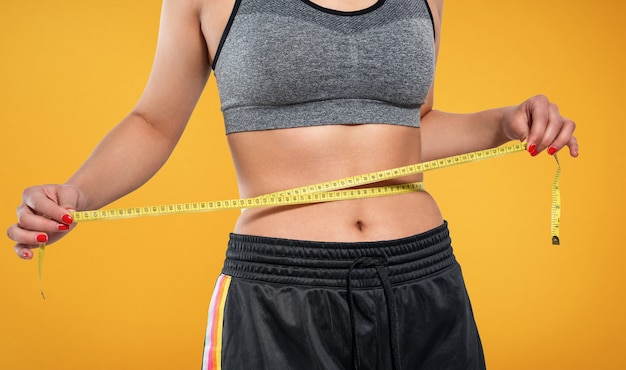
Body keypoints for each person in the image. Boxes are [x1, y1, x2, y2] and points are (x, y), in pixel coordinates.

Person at [6, 0, 578, 369]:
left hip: (422, 277)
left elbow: (412, 125)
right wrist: (76, 193)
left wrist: (505, 123)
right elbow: (153, 123)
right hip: (281, 291)